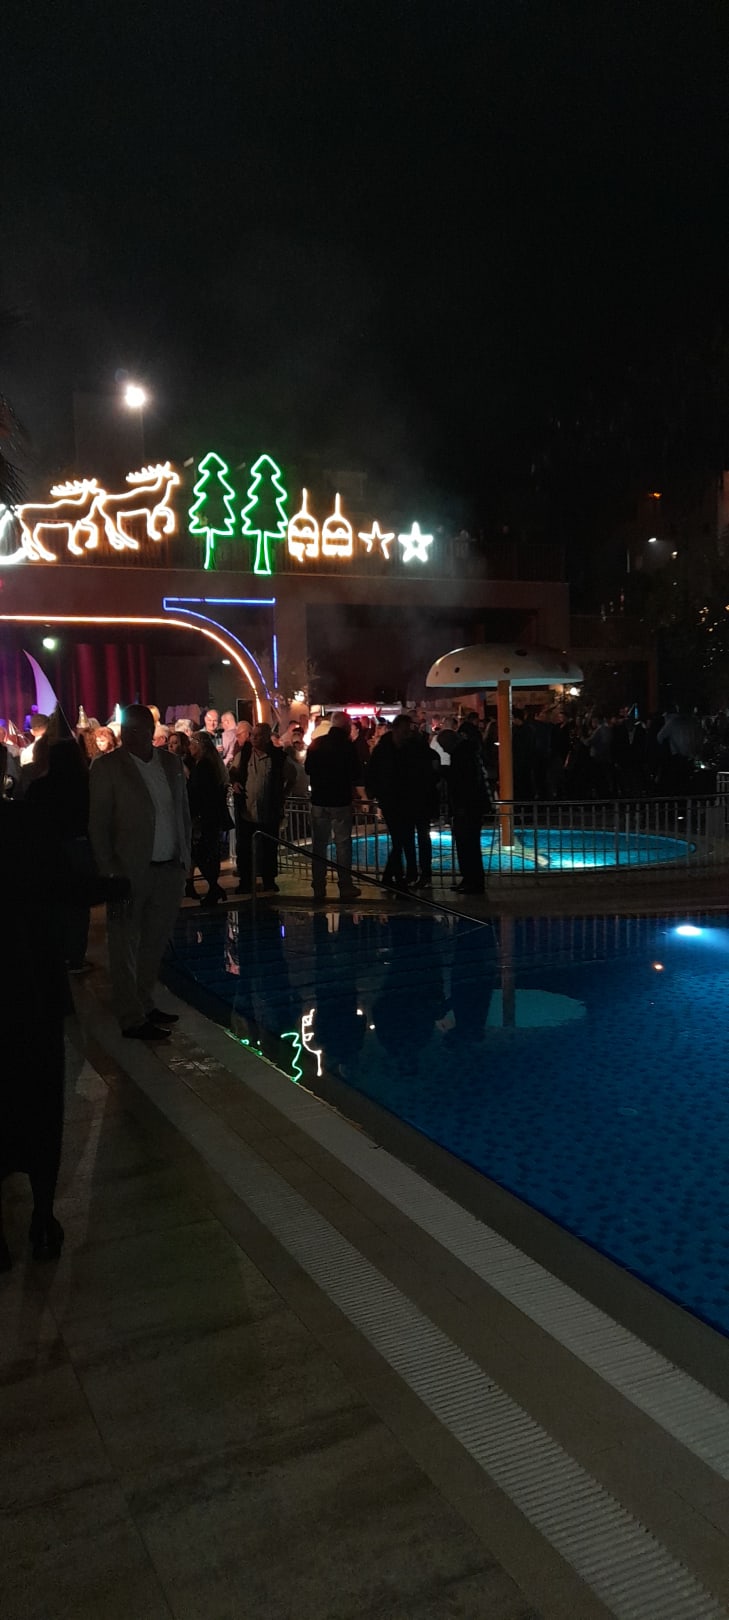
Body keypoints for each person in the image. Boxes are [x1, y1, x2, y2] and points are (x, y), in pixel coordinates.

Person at [88, 703, 191, 1040]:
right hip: (129, 870)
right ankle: (130, 1014)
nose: (130, 736)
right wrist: (108, 868)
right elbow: (98, 822)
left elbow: (182, 813)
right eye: (126, 730)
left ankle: (144, 1000)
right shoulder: (107, 767)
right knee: (124, 944)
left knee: (154, 942)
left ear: (151, 731)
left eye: (137, 730)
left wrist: (184, 858)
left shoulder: (171, 764)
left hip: (168, 868)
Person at [230, 721, 295, 897]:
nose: (254, 738)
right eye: (253, 735)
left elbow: (292, 776)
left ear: (267, 738)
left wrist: (282, 795)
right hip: (246, 811)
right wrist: (235, 783)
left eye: (258, 736)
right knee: (244, 848)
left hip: (269, 810)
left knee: (269, 848)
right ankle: (245, 881)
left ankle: (269, 880)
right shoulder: (244, 755)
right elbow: (232, 773)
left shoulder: (278, 758)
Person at [305, 711, 364, 901]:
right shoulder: (347, 746)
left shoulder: (317, 743)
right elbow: (355, 772)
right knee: (343, 844)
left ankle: (318, 885)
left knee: (319, 845)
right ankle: (345, 884)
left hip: (319, 800)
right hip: (340, 800)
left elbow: (308, 768)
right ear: (345, 727)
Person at [367, 713, 419, 890]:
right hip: (391, 800)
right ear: (396, 729)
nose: (406, 734)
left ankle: (392, 877)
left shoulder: (399, 749)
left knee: (402, 839)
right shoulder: (385, 750)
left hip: (403, 799)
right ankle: (399, 877)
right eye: (404, 731)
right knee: (400, 839)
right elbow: (373, 773)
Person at [443, 721, 489, 894]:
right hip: (471, 808)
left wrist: (460, 807)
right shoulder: (469, 753)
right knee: (470, 846)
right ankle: (471, 879)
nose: (445, 751)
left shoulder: (461, 756)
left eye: (444, 747)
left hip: (466, 809)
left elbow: (462, 784)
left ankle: (472, 880)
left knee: (467, 845)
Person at [187, 730, 231, 905]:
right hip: (209, 816)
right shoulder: (207, 764)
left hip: (205, 817)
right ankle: (214, 887)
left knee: (203, 853)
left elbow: (201, 793)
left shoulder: (204, 766)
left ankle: (214, 887)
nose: (189, 747)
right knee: (207, 853)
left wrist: (196, 813)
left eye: (192, 744)